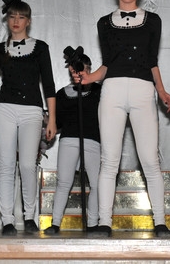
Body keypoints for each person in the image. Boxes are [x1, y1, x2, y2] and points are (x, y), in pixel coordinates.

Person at [80, 0, 170, 238]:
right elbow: (107, 64)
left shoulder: (153, 21)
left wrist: (161, 90)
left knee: (150, 160)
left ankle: (160, 222)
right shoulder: (104, 23)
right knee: (109, 160)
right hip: (111, 90)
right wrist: (88, 77)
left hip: (143, 90)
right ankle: (104, 222)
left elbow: (152, 61)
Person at [0, 0, 56, 235]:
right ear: (7, 20)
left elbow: (49, 85)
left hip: (32, 109)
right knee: (6, 165)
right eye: (12, 16)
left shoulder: (40, 48)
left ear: (28, 21)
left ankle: (29, 216)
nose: (16, 21)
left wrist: (52, 119)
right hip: (5, 108)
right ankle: (7, 220)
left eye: (21, 17)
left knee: (28, 165)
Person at [43, 46, 102, 235]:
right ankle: (55, 223)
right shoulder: (62, 94)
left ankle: (92, 223)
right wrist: (47, 121)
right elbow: (58, 122)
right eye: (74, 70)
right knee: (64, 182)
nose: (78, 73)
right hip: (68, 138)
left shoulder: (100, 91)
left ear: (89, 69)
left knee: (96, 183)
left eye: (82, 69)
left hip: (92, 139)